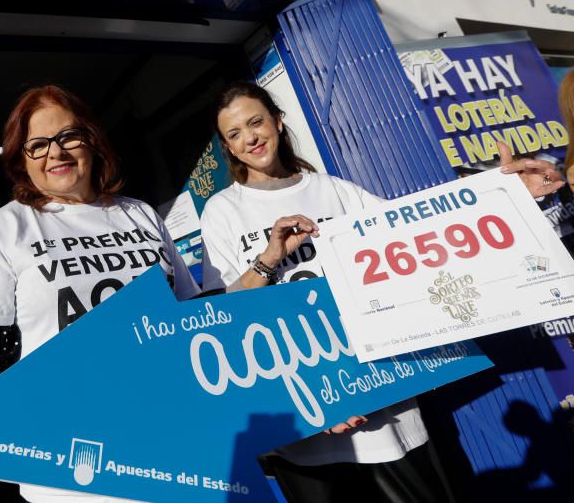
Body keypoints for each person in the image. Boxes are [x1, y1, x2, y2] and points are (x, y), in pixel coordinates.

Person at [200, 81, 562, 503]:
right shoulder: (223, 211)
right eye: (235, 134)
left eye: (256, 122)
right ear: (228, 147)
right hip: (306, 423)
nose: (250, 138)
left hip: (384, 403)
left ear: (278, 122)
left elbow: (422, 236)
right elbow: (226, 317)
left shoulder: (334, 190)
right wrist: (267, 259)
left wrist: (507, 195)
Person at [0, 84, 216, 502]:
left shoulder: (140, 213)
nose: (55, 152)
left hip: (178, 442)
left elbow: (195, 318)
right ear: (23, 160)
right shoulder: (7, 227)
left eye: (68, 136)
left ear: (92, 142)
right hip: (73, 469)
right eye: (36, 145)